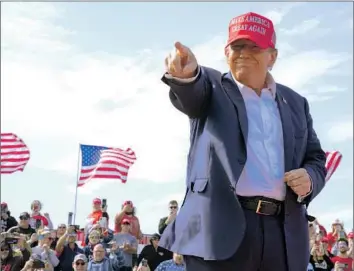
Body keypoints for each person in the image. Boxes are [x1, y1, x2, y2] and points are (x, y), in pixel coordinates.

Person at [160, 11, 327, 271]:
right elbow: (192, 90)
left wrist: (310, 178)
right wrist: (185, 76)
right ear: (226, 53)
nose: (244, 52)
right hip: (219, 233)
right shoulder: (212, 87)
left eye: (254, 46)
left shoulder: (296, 103)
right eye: (237, 46)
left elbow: (316, 157)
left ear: (272, 56)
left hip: (282, 236)